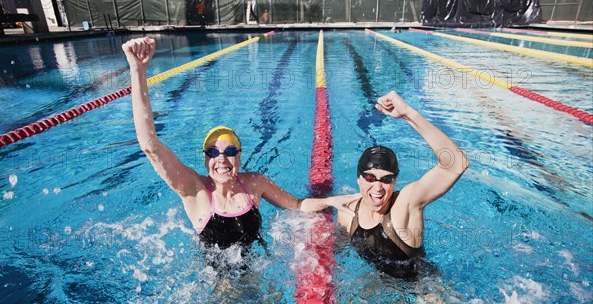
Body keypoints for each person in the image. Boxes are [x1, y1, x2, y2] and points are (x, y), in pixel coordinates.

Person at [121, 37, 355, 252]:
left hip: (255, 275)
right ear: (206, 159)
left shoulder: (254, 183)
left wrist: (331, 201)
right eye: (213, 152)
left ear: (239, 158)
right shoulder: (196, 191)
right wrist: (138, 71)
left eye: (229, 151)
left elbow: (296, 204)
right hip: (215, 285)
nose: (221, 158)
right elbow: (149, 145)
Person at [335, 90, 470, 278]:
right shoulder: (347, 213)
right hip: (383, 288)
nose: (378, 187)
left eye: (387, 179)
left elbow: (456, 164)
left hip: (425, 291)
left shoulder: (404, 205)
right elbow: (336, 254)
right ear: (358, 179)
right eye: (370, 178)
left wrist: (408, 114)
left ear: (395, 180)